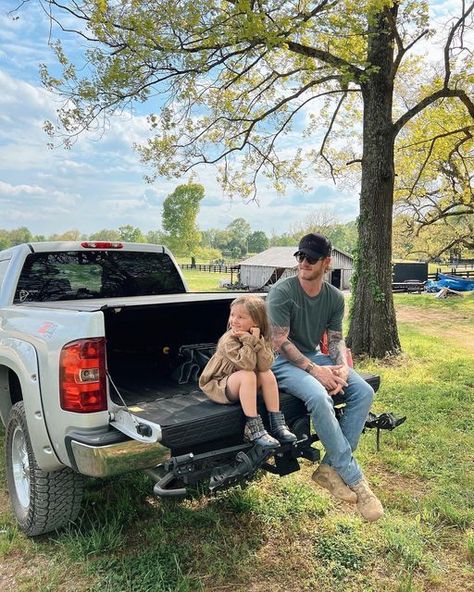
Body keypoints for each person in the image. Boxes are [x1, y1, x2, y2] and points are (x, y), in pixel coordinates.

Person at [267, 233, 383, 522]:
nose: (303, 263)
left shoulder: (333, 297)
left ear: (327, 262)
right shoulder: (282, 292)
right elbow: (279, 342)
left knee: (363, 392)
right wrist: (315, 371)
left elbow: (335, 340)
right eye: (300, 257)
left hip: (313, 356)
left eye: (311, 258)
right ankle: (357, 481)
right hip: (278, 362)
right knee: (319, 396)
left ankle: (329, 468)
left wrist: (341, 365)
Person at [199, 295, 297, 449]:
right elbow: (247, 364)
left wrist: (257, 340)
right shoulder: (229, 340)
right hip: (220, 385)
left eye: (241, 317)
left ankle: (277, 424)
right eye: (232, 315)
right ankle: (253, 428)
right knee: (248, 374)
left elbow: (264, 365)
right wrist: (250, 341)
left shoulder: (262, 337)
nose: (234, 320)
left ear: (256, 322)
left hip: (244, 384)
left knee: (267, 373)